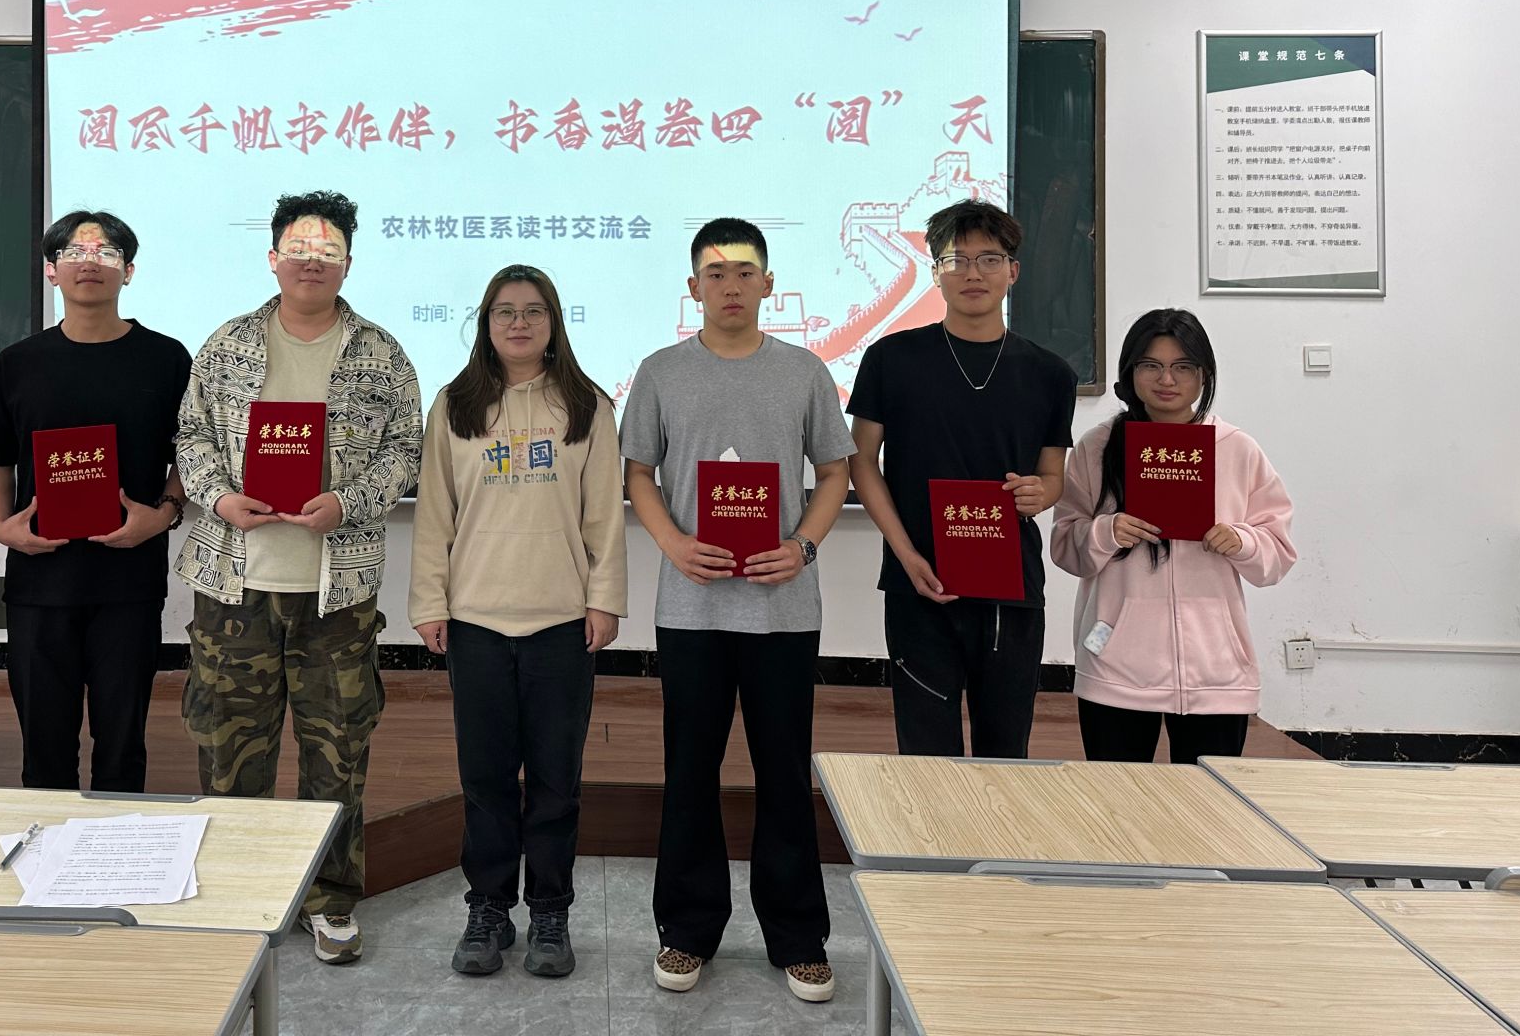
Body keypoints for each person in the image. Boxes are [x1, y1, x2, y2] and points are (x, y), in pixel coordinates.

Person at [174, 190, 422, 966]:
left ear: (348, 263)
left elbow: (405, 452)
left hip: (336, 590)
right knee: (230, 752)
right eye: (299, 249)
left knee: (337, 752)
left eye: (328, 251)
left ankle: (329, 899)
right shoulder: (226, 346)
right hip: (233, 583)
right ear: (273, 258)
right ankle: (238, 895)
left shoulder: (380, 355)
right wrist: (219, 497)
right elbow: (190, 435)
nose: (312, 262)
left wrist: (349, 502)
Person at [620, 219, 853, 1005]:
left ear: (768, 284)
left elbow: (834, 473)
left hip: (783, 608)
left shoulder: (804, 372)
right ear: (694, 288)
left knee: (784, 774)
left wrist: (804, 547)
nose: (730, 286)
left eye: (744, 272)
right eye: (715, 274)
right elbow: (639, 473)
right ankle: (686, 930)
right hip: (691, 608)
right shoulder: (661, 372)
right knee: (690, 772)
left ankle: (799, 937)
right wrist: (673, 544)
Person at [410, 264, 626, 980]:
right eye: (504, 311)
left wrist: (604, 599)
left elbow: (604, 517)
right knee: (486, 780)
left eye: (534, 311)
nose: (519, 323)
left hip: (561, 621)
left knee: (557, 782)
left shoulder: (587, 406)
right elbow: (434, 515)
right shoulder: (456, 405)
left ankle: (551, 913)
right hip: (475, 620)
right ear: (486, 324)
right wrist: (429, 603)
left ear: (554, 322)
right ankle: (489, 910)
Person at [848, 199, 1076, 759]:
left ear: (1013, 271)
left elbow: (1052, 476)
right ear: (935, 272)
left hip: (1010, 587)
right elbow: (861, 462)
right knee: (926, 753)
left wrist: (1040, 493)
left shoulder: (1050, 373)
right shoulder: (891, 359)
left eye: (989, 259)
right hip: (919, 582)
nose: (973, 273)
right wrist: (905, 554)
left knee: (1006, 752)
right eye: (957, 260)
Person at [0, 210, 190, 793]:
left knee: (122, 745)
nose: (89, 263)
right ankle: (49, 844)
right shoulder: (17, 364)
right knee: (44, 749)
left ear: (129, 271)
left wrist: (164, 514)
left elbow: (193, 457)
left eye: (105, 253)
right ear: (51, 271)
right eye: (73, 252)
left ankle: (118, 845)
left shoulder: (167, 359)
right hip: (40, 581)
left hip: (129, 580)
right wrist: (0, 526)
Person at [1051, 309, 1296, 763]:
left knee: (1209, 801)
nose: (1167, 379)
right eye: (1151, 365)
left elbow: (1278, 555)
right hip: (1117, 669)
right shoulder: (1097, 447)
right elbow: (1065, 546)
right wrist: (1106, 531)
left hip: (1215, 672)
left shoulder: (1236, 449)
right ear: (1131, 372)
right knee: (1118, 799)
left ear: (1204, 374)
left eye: (1183, 366)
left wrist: (1242, 541)